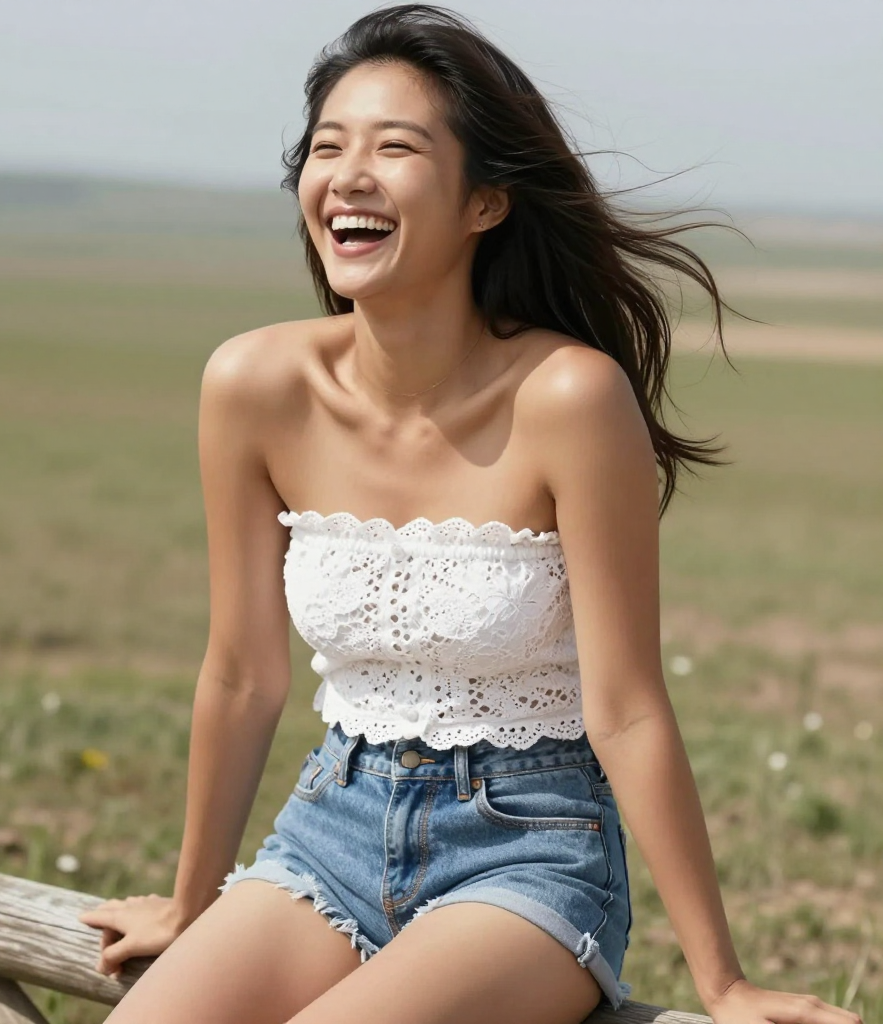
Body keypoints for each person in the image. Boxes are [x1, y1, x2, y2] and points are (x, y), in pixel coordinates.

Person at [78, 6, 864, 1024]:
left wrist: (724, 981)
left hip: (530, 850)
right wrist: (192, 901)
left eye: (395, 148)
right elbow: (240, 671)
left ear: (485, 201)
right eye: (327, 147)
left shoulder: (568, 398)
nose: (348, 174)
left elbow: (625, 706)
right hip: (332, 826)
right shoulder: (252, 383)